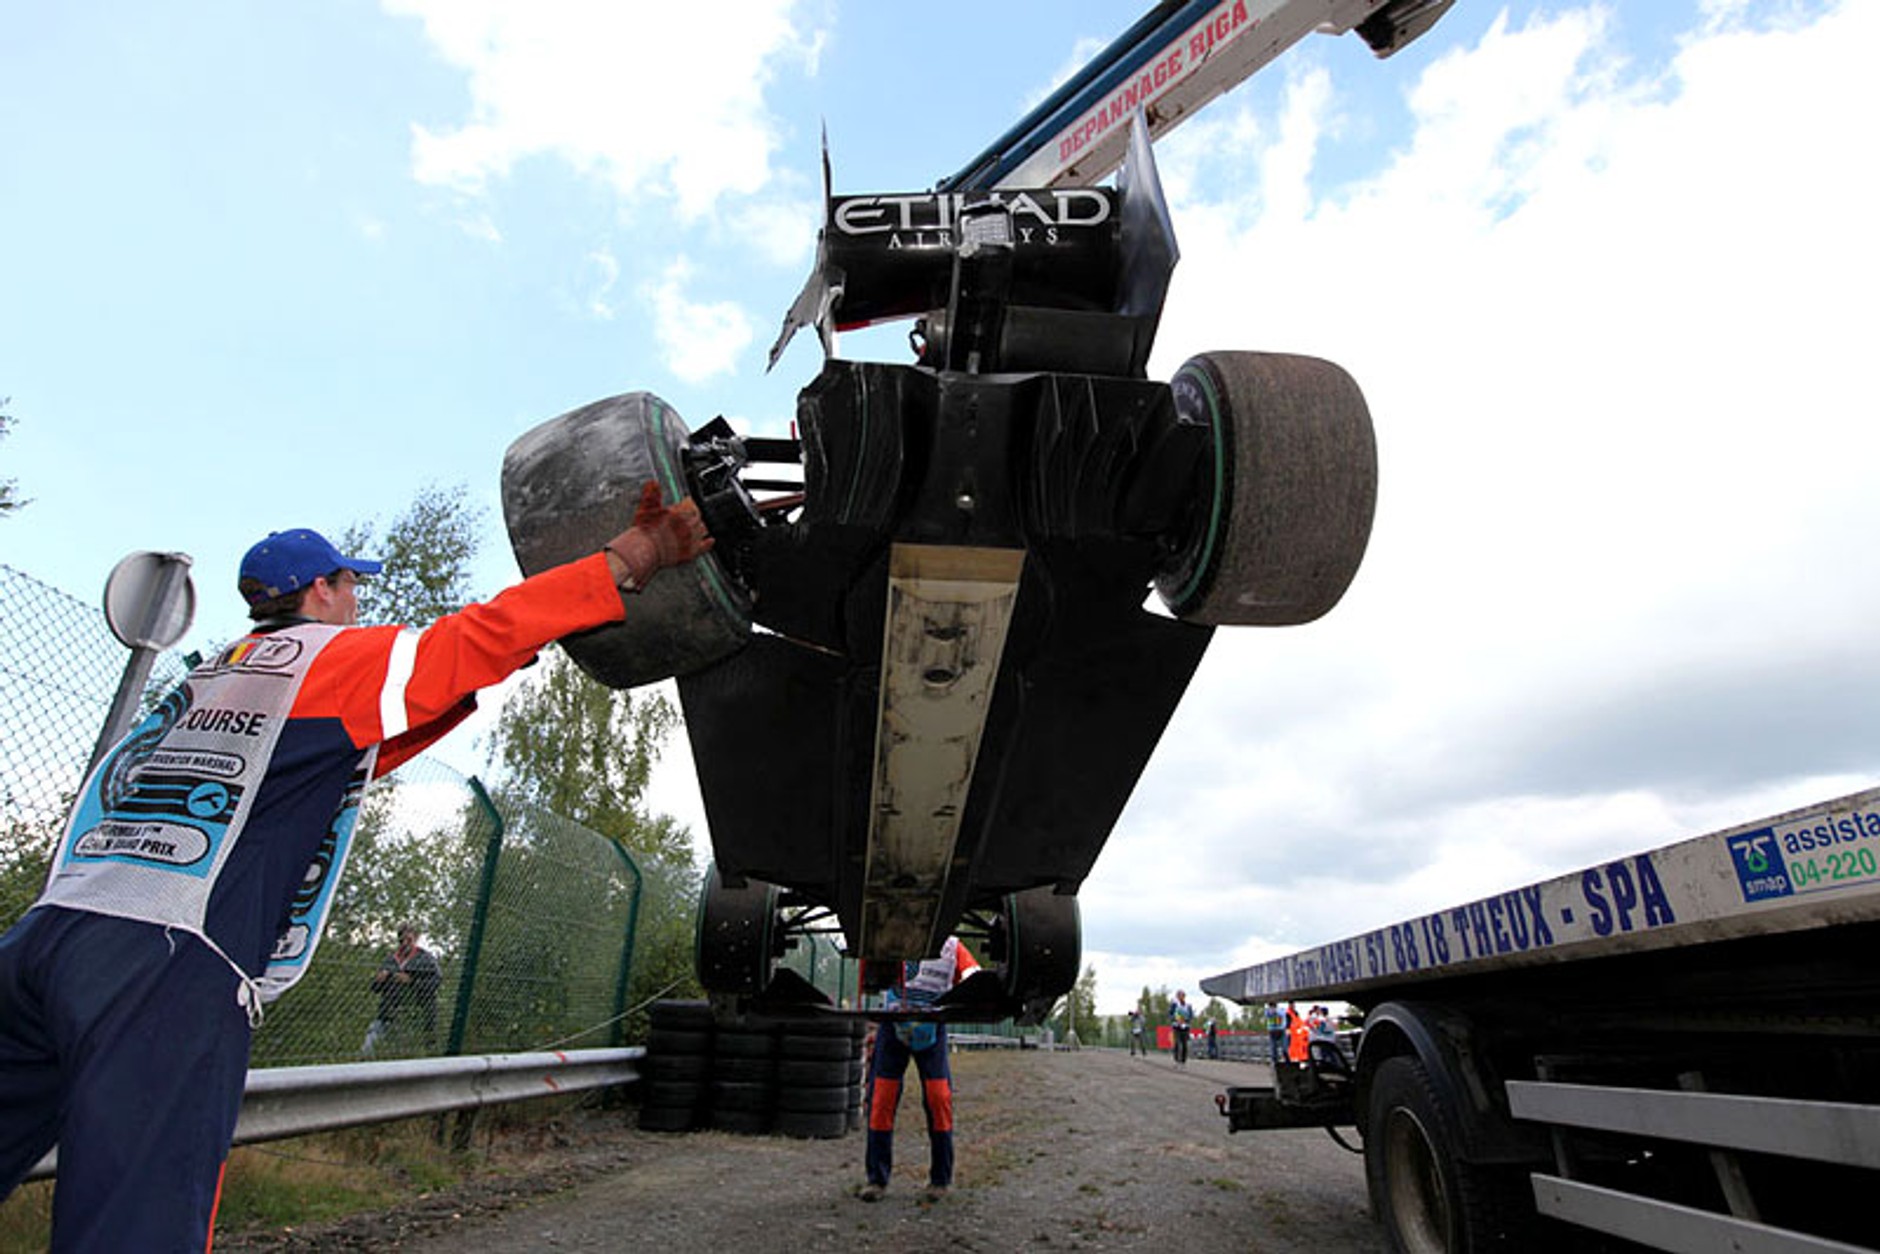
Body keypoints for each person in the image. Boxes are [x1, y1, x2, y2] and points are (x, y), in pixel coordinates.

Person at [0, 481, 712, 1252]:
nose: (357, 603)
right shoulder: (330, 660)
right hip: (160, 966)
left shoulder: (211, 674)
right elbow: (478, 635)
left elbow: (341, 760)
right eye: (350, 586)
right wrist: (637, 555)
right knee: (134, 1228)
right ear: (320, 591)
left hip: (41, 942)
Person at [860, 935, 979, 1204]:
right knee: (881, 1100)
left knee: (939, 1099)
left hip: (931, 1027)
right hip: (894, 1025)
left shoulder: (952, 947)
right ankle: (876, 1179)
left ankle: (940, 1179)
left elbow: (973, 975)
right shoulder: (891, 936)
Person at [362, 922, 442, 1057]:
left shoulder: (426, 959)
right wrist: (378, 980)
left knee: (413, 1051)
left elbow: (436, 982)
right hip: (388, 1012)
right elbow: (375, 989)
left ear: (416, 938)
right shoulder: (390, 959)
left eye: (409, 940)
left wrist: (412, 982)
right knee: (369, 1046)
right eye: (401, 940)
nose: (405, 943)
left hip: (417, 1014)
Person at [1168, 989, 1195, 1066]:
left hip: (1185, 1027)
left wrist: (1186, 1020)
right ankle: (1177, 1059)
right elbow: (1170, 1014)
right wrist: (1175, 1019)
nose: (1181, 997)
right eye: (1179, 995)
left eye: (1182, 995)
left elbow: (1191, 1016)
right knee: (1177, 1042)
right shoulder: (1174, 1005)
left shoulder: (1188, 1005)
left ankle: (1183, 1060)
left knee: (1184, 1044)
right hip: (1176, 1026)